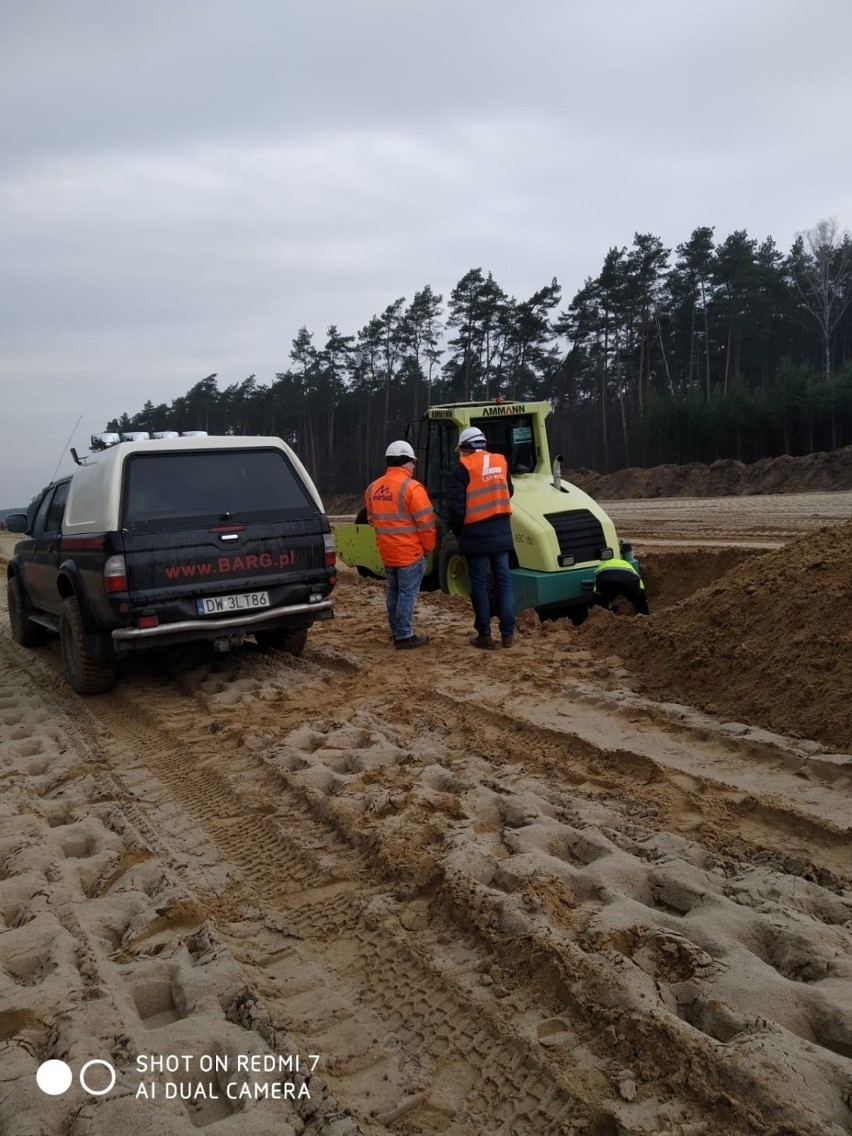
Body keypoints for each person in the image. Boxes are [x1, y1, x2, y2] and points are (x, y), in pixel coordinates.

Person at [447, 426, 517, 649]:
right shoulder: (501, 462)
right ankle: (508, 635)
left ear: (465, 448)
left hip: (474, 534)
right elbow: (510, 491)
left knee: (478, 585)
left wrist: (460, 532)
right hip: (501, 530)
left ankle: (485, 636)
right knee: (504, 582)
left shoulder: (461, 469)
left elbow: (456, 509)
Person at [365, 440, 436, 649]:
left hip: (387, 552)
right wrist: (429, 547)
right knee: (407, 594)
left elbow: (372, 519)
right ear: (405, 463)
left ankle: (396, 630)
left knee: (393, 591)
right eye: (412, 462)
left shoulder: (373, 488)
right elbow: (426, 523)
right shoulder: (412, 488)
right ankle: (404, 635)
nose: (414, 466)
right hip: (410, 552)